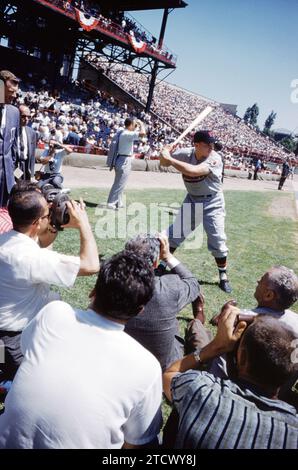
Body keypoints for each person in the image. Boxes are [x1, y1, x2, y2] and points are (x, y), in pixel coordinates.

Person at [0, 251, 162, 449]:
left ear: (93, 291)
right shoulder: (147, 367)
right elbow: (135, 443)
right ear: (139, 311)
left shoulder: (54, 313)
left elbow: (27, 350)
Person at [163, 306, 298, 449]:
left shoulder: (200, 390)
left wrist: (216, 347)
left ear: (243, 358)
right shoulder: (293, 433)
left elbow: (169, 374)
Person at [0, 189, 99, 382]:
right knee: (28, 381)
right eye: (47, 214)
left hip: (4, 332)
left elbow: (42, 243)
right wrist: (83, 224)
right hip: (14, 339)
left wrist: (54, 222)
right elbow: (91, 265)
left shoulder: (6, 240)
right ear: (37, 223)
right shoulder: (31, 258)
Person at [160, 130, 231, 293]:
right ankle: (162, 265)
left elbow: (193, 171)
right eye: (208, 144)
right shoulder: (185, 153)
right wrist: (164, 152)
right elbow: (163, 164)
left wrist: (169, 158)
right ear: (196, 145)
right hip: (192, 199)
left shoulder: (215, 158)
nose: (212, 147)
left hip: (212, 201)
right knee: (176, 233)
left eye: (213, 144)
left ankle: (223, 276)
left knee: (217, 238)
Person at [124, 234, 204, 371]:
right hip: (164, 366)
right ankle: (199, 317)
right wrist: (168, 256)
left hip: (124, 359)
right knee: (194, 332)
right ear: (155, 263)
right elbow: (193, 284)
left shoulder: (112, 284)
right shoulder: (170, 287)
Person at [107, 117, 146, 209]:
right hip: (124, 159)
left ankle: (118, 202)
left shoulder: (124, 132)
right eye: (134, 124)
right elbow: (143, 133)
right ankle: (111, 203)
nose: (135, 126)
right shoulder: (127, 134)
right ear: (131, 125)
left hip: (123, 159)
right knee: (119, 183)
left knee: (121, 183)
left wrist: (136, 125)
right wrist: (141, 124)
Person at [0, 70, 20, 209]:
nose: (13, 95)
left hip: (5, 177)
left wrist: (11, 166)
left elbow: (14, 145)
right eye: (10, 91)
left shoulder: (14, 112)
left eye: (15, 92)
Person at [17, 105, 37, 180]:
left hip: (26, 166)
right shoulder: (12, 130)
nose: (26, 119)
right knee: (16, 187)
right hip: (16, 165)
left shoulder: (32, 132)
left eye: (28, 117)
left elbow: (32, 154)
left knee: (25, 189)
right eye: (23, 116)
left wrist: (32, 173)